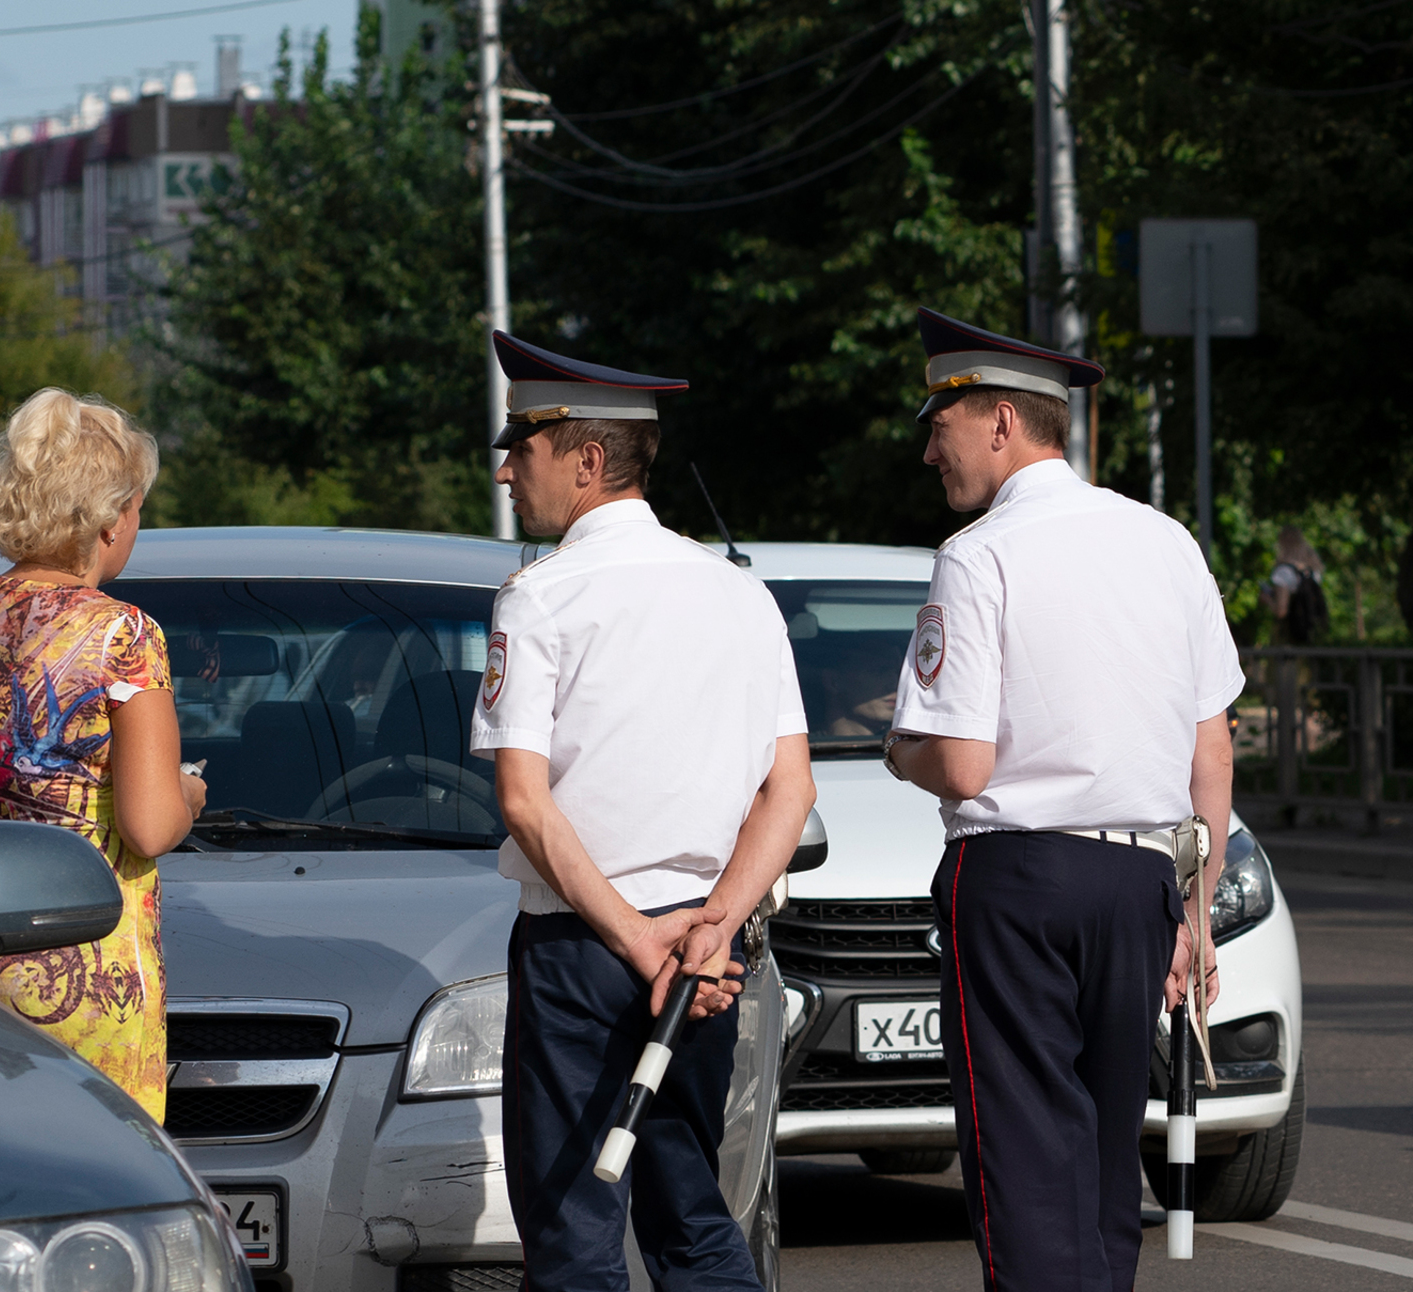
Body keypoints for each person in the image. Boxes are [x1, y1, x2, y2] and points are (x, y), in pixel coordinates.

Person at [883, 308, 1239, 1292]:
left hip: (1018, 877)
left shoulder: (977, 552)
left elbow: (958, 764)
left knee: (1024, 1171)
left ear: (999, 420)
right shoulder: (1164, 541)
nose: (927, 451)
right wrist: (1194, 912)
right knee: (1093, 1171)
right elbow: (1209, 746)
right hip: (1140, 877)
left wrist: (895, 744)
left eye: (938, 423)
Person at [470, 331, 816, 1292]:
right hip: (704, 958)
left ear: (586, 460)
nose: (506, 471)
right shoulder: (741, 595)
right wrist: (711, 930)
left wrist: (636, 942)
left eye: (522, 447)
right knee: (694, 1216)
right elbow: (790, 791)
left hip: (587, 949)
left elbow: (525, 805)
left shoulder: (538, 599)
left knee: (575, 1235)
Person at [0, 387, 207, 1123]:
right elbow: (149, 826)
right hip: (92, 972)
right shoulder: (124, 635)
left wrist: (17, 825)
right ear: (108, 517)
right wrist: (188, 795)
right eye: (137, 507)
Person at [1258, 525, 1328, 644]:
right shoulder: (1312, 571)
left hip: (1293, 636)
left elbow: (1281, 611)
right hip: (1314, 634)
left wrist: (1266, 599)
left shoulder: (1284, 572)